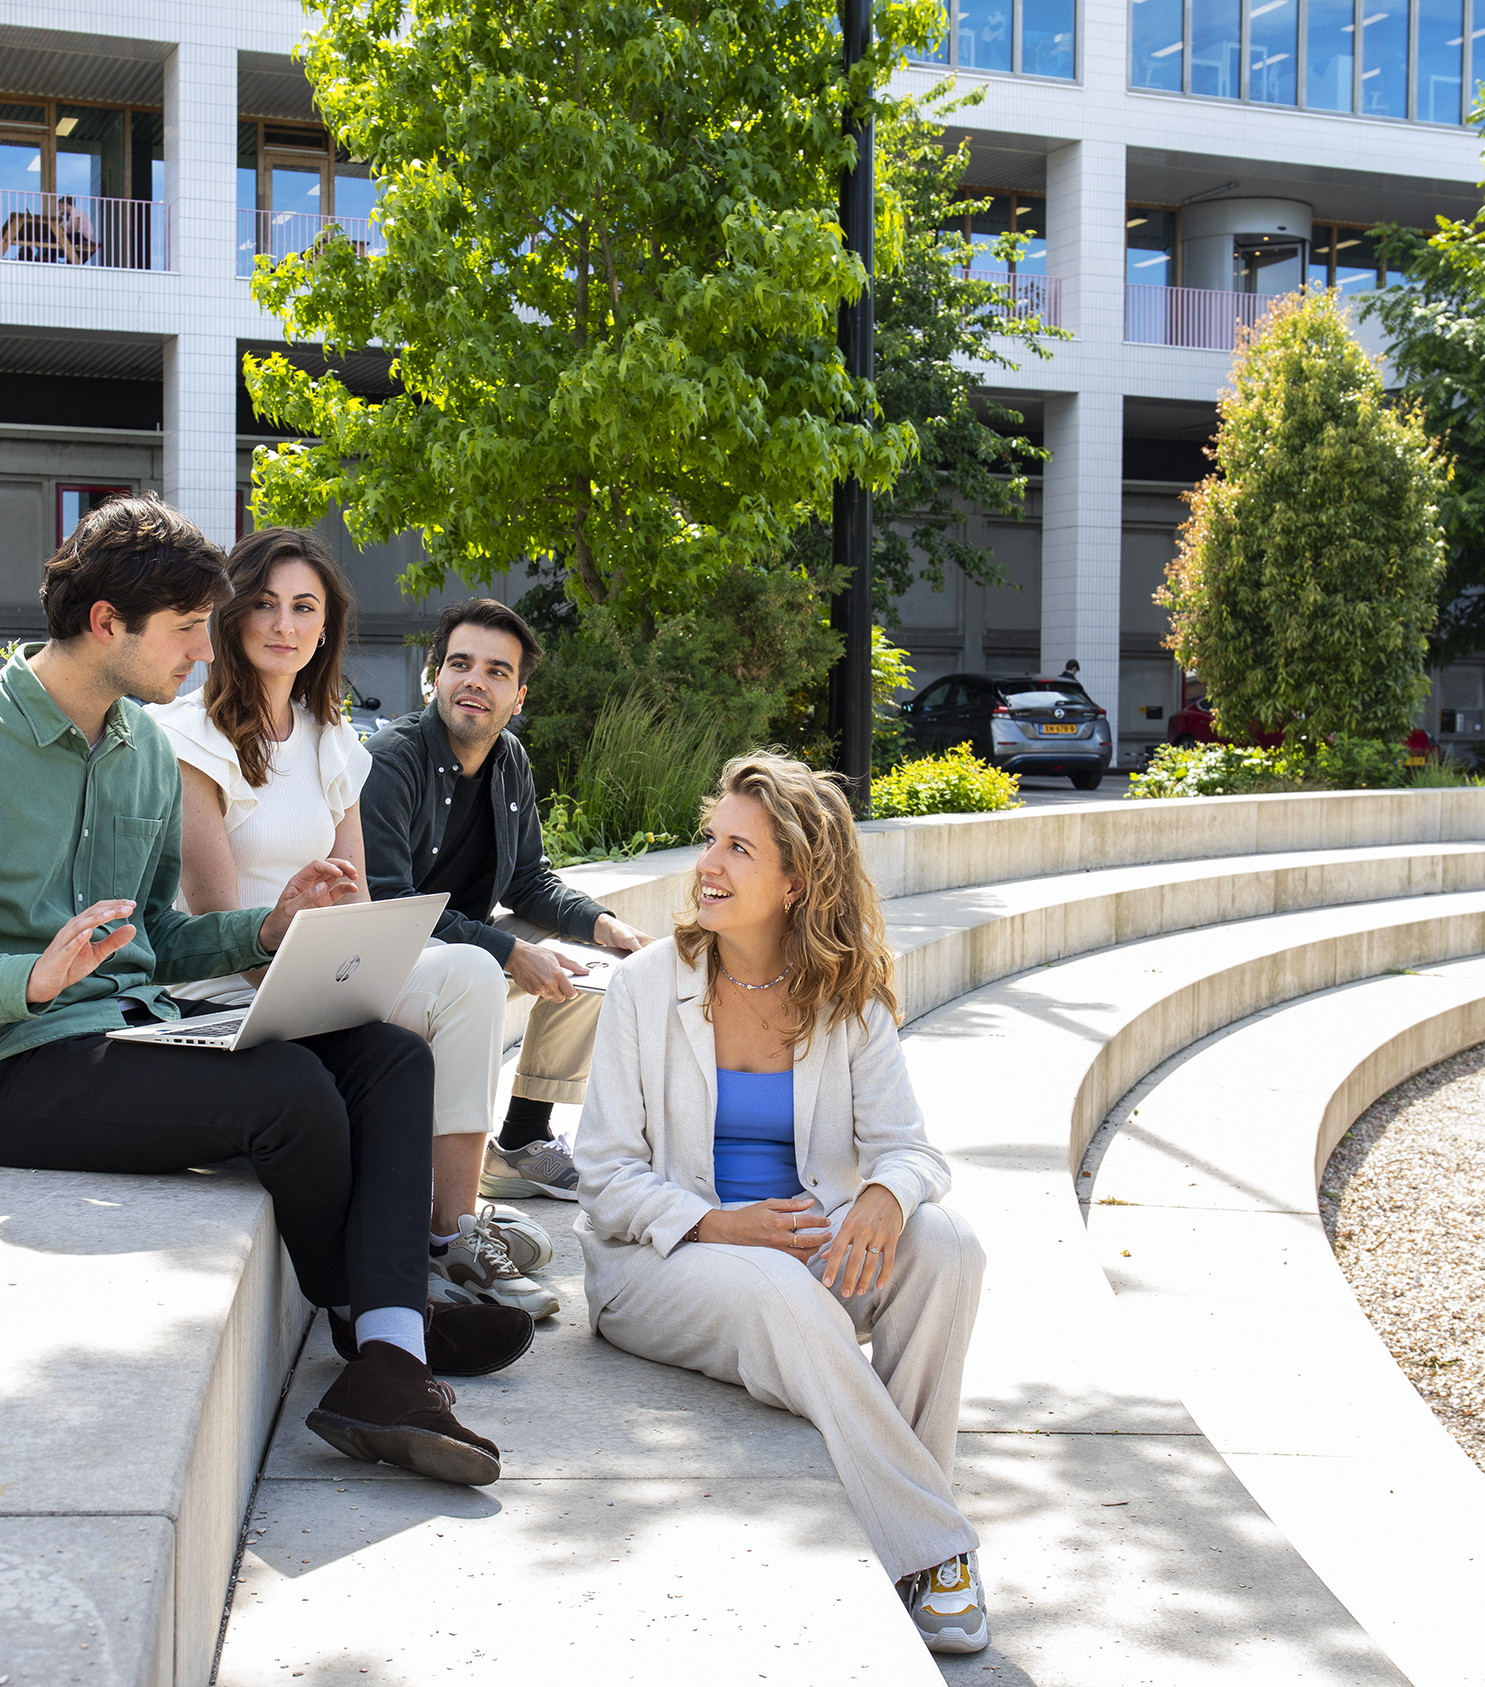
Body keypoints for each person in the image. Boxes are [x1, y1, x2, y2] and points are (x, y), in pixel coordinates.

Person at [0, 495, 528, 1489]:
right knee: (290, 1091)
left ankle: (387, 1348)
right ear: (103, 623)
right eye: (182, 632)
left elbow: (156, 940)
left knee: (386, 1056)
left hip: (136, 1032)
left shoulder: (140, 752)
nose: (204, 655)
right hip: (2, 1070)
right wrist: (28, 980)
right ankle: (383, 1330)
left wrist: (266, 927)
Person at [573, 752, 990, 1656]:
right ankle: (935, 1547)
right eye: (709, 839)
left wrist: (885, 1194)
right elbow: (599, 1173)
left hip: (806, 1256)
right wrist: (719, 1223)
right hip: (662, 1267)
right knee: (780, 1292)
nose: (707, 866)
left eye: (738, 849)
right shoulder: (646, 984)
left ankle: (904, 1523)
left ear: (797, 881)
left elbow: (912, 1149)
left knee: (950, 1246)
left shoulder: (848, 995)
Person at [148, 528, 559, 1319]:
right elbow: (218, 918)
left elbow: (361, 896)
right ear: (231, 615)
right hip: (237, 990)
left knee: (472, 973)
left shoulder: (332, 740)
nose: (284, 624)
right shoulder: (188, 738)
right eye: (264, 603)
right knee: (412, 1028)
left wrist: (358, 967)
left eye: (305, 606)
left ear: (327, 625)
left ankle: (453, 1227)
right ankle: (424, 1253)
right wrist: (324, 973)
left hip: (324, 979)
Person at [360, 600, 652, 1215]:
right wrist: (509, 951)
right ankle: (453, 1202)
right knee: (517, 962)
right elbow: (390, 904)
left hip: (464, 943)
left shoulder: (508, 762)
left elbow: (528, 881)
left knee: (589, 964)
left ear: (517, 697)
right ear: (435, 676)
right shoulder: (392, 761)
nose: (475, 680)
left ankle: (521, 1139)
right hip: (398, 955)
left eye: (497, 671)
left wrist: (605, 925)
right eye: (461, 664)